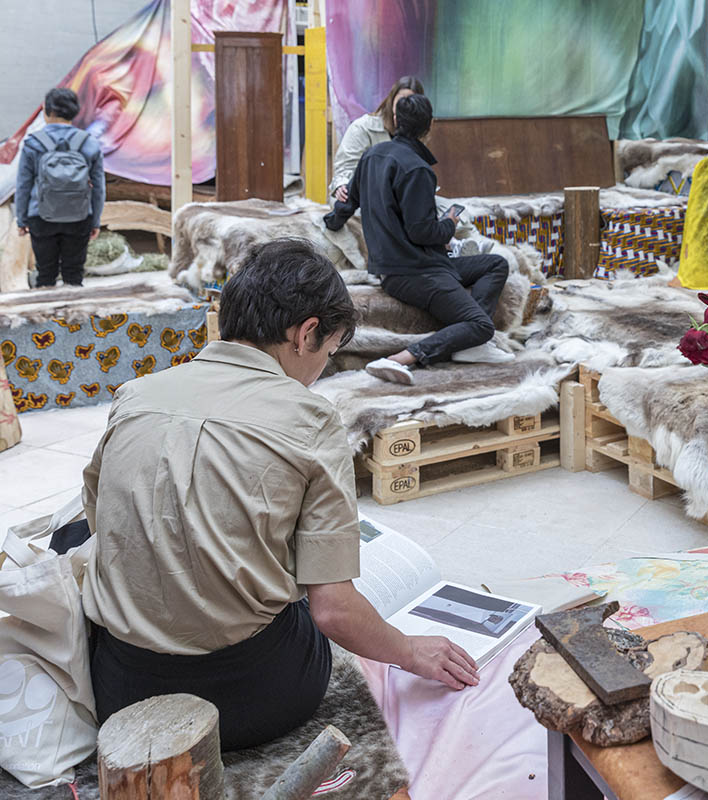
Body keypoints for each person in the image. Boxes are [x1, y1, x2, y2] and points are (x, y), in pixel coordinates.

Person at [81, 240, 479, 750]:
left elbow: (99, 522)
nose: (320, 373)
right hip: (249, 698)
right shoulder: (310, 419)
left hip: (121, 688)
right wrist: (406, 649)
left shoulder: (137, 394)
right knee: (310, 588)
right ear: (306, 333)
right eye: (329, 355)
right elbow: (333, 611)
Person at [325, 93, 512, 383]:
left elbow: (347, 205)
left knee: (496, 264)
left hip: (396, 269)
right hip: (416, 272)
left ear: (397, 120)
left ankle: (472, 345)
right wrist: (449, 223)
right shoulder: (417, 169)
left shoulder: (372, 156)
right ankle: (402, 358)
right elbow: (422, 232)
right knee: (480, 324)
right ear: (430, 126)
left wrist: (330, 221)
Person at [14, 87, 105, 287]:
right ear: (75, 112)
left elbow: (23, 185)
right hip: (80, 216)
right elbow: (98, 188)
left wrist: (22, 219)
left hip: (41, 216)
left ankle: (46, 315)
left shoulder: (33, 143)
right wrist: (95, 221)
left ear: (46, 110)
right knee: (74, 276)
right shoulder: (89, 143)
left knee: (45, 275)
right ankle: (73, 317)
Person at [330, 76, 424, 203]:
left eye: (410, 103)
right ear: (391, 102)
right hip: (361, 198)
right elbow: (344, 168)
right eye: (401, 102)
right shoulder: (364, 127)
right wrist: (342, 185)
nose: (404, 108)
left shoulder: (415, 131)